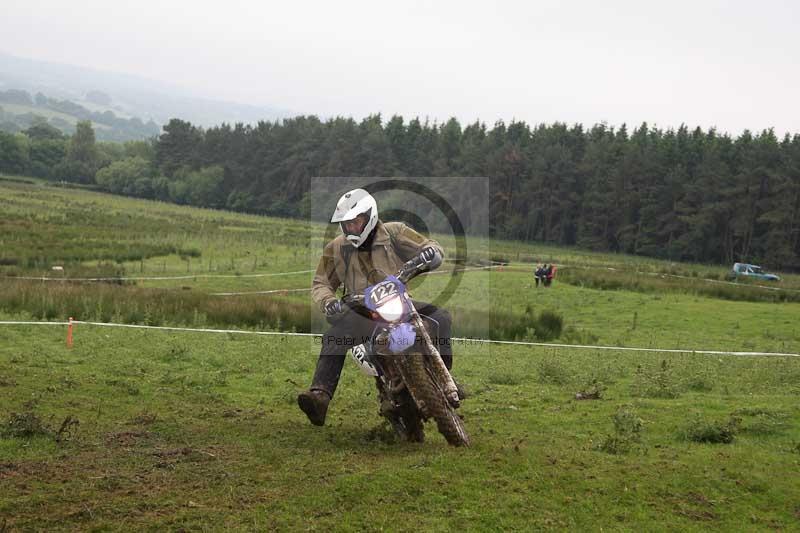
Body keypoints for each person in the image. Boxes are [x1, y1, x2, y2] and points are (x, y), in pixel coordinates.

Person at [297, 188, 454, 426]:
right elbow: (321, 283)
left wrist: (431, 253)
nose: (351, 228)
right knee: (333, 338)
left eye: (356, 222)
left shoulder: (395, 232)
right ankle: (319, 397)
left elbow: (430, 247)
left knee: (441, 318)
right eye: (346, 224)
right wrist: (328, 302)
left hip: (400, 303)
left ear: (369, 216)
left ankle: (445, 380)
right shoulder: (336, 248)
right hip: (360, 312)